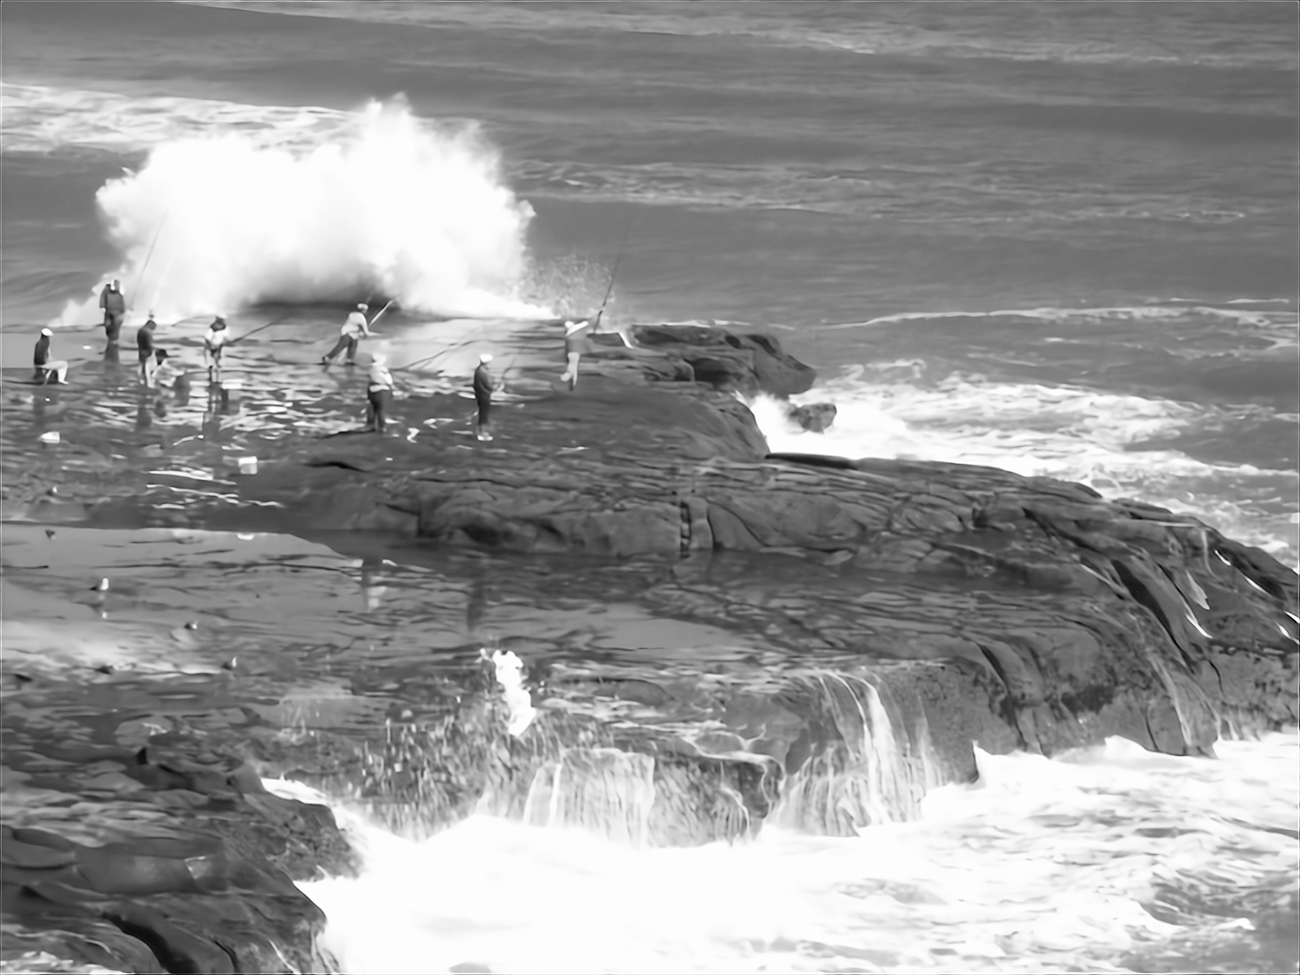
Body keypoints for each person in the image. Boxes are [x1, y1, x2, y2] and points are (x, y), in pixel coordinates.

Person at [473, 352, 502, 441]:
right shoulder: (483, 372)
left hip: (480, 394)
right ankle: (483, 431)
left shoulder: (479, 370)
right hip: (484, 395)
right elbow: (488, 385)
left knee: (482, 412)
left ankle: (482, 430)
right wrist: (496, 387)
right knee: (484, 413)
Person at [561, 317, 595, 391]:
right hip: (574, 353)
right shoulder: (574, 331)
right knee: (572, 367)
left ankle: (572, 384)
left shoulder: (569, 334)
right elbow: (584, 324)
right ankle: (565, 378)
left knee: (574, 368)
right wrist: (597, 315)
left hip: (571, 353)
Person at [366, 353, 395, 434]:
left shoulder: (371, 370)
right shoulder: (383, 370)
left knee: (372, 408)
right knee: (381, 410)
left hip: (372, 390)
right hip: (382, 390)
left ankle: (370, 424)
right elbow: (389, 381)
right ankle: (382, 427)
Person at [99, 279, 126, 343]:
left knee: (116, 325)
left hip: (118, 311)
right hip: (109, 310)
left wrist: (124, 310)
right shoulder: (106, 289)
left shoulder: (120, 289)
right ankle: (110, 336)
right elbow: (102, 297)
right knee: (108, 324)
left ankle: (114, 339)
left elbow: (123, 300)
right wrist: (102, 306)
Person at [203, 316, 229, 381]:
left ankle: (218, 379)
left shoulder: (225, 329)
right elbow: (207, 340)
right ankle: (210, 378)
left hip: (219, 348)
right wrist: (211, 347)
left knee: (218, 364)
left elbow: (225, 339)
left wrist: (221, 346)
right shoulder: (211, 330)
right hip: (210, 348)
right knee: (210, 364)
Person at [136, 312, 158, 384]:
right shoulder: (148, 332)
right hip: (147, 352)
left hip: (141, 350)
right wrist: (152, 351)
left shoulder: (141, 330)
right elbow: (149, 343)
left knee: (142, 365)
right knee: (147, 367)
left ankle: (140, 379)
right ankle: (146, 381)